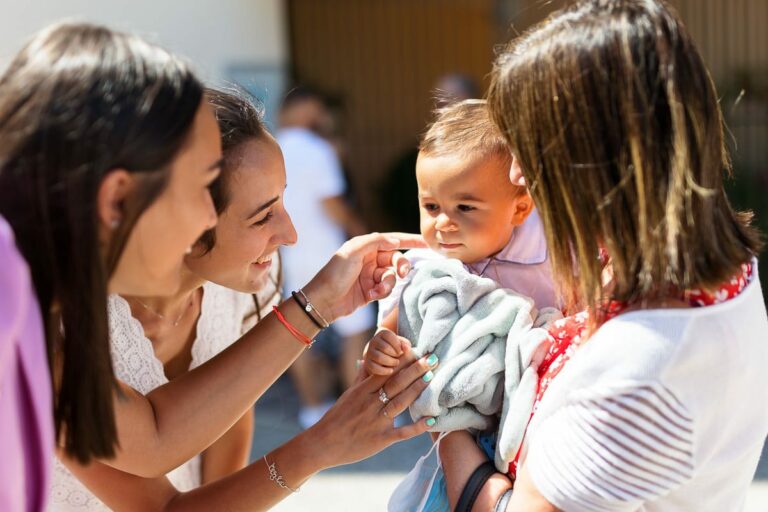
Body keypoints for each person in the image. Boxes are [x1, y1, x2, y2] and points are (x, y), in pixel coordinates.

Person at [0, 22, 435, 511]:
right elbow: (158, 467)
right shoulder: (23, 317)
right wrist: (321, 436)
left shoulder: (32, 296)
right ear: (118, 196)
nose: (206, 218)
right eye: (197, 186)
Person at [438, 1, 768, 510]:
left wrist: (442, 418)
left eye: (528, 148)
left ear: (597, 159)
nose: (516, 177)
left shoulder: (645, 368)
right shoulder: (710, 263)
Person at [49, 87, 287, 509]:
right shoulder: (49, 321)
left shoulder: (243, 291)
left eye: (282, 199)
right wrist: (330, 440)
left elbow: (218, 487)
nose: (290, 234)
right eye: (263, 215)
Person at [364, 98, 557, 377]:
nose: (443, 222)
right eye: (431, 207)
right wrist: (381, 347)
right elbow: (392, 333)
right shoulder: (419, 268)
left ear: (521, 209)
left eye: (465, 208)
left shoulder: (549, 256)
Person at [276, 86, 377, 428]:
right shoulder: (317, 149)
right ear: (304, 107)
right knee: (355, 329)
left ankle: (311, 408)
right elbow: (331, 204)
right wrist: (361, 229)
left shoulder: (269, 147)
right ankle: (352, 410)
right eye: (317, 110)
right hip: (327, 252)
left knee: (297, 331)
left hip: (288, 253)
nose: (321, 118)